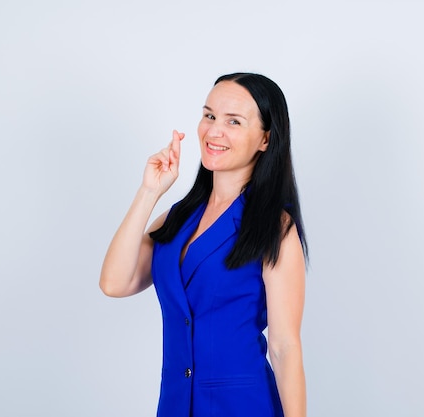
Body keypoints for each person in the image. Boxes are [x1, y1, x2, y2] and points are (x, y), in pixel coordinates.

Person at [100, 72, 307, 417]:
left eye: (234, 121)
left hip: (243, 405)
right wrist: (149, 192)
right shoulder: (178, 218)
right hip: (176, 404)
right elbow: (114, 283)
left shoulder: (275, 227)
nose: (214, 131)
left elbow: (285, 347)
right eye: (209, 115)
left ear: (265, 140)